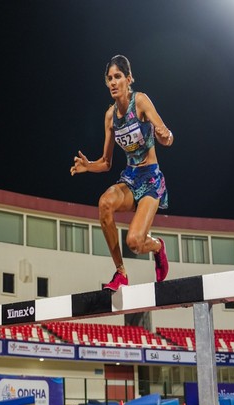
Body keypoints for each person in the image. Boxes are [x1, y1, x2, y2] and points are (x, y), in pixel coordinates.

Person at [70, 55, 173, 291]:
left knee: (135, 242)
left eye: (117, 77)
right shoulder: (110, 116)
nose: (113, 83)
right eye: (109, 79)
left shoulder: (141, 102)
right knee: (105, 202)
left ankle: (157, 246)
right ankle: (120, 273)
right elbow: (106, 163)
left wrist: (165, 135)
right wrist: (88, 166)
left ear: (128, 79)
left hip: (150, 179)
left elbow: (166, 135)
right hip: (130, 178)